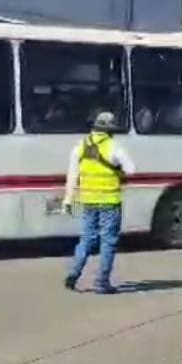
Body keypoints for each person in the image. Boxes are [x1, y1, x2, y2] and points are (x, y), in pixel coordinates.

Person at [62, 111, 135, 294]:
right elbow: (131, 170)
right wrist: (118, 168)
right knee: (108, 241)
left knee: (86, 239)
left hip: (88, 201)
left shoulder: (80, 146)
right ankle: (101, 282)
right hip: (110, 201)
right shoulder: (114, 147)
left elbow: (72, 175)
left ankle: (74, 273)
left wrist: (68, 199)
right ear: (110, 130)